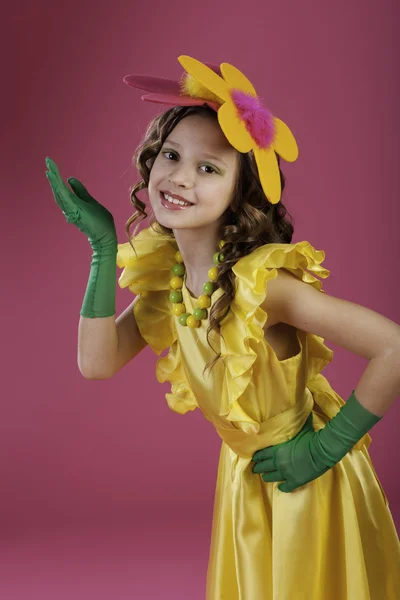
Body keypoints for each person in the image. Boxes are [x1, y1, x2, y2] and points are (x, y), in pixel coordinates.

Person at [45, 55, 400, 599]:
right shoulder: (171, 283)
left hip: (306, 481)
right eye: (171, 155)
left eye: (209, 168)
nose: (180, 177)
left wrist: (327, 448)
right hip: (245, 481)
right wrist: (100, 250)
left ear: (239, 193)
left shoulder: (265, 287)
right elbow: (98, 363)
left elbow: (392, 347)